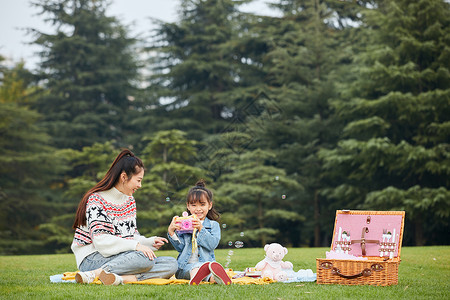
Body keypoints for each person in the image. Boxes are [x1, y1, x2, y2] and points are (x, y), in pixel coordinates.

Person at [71, 149, 178, 285]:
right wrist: (137, 246)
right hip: (92, 258)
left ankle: (120, 279)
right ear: (123, 177)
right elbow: (101, 241)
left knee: (171, 263)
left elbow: (130, 236)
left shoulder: (129, 200)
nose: (140, 185)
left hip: (117, 257)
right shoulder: (97, 200)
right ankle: (95, 273)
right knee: (144, 259)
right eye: (138, 180)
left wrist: (149, 242)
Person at [167, 179, 232, 285]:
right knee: (195, 268)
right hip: (185, 267)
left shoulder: (213, 225)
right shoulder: (184, 223)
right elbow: (180, 248)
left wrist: (201, 229)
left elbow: (212, 244)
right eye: (193, 205)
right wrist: (171, 232)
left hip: (207, 265)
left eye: (202, 205)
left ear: (209, 205)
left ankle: (214, 278)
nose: (198, 209)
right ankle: (197, 277)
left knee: (209, 272)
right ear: (188, 206)